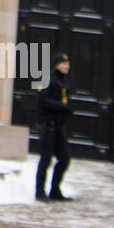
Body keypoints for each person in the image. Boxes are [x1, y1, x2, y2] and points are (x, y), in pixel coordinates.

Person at [35, 53, 73, 202]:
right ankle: (39, 192)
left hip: (58, 126)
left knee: (64, 158)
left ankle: (55, 190)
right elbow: (41, 101)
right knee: (46, 159)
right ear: (56, 65)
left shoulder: (64, 81)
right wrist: (62, 107)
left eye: (68, 63)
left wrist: (65, 109)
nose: (67, 66)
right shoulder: (45, 78)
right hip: (47, 124)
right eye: (64, 63)